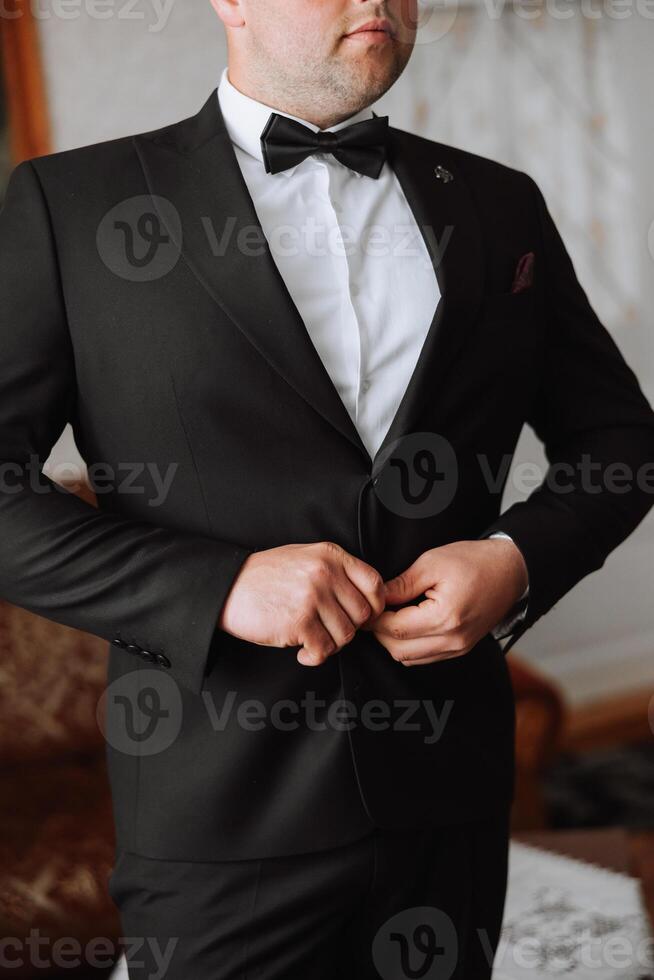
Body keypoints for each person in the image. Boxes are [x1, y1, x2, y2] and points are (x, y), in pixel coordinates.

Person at [1, 1, 653, 976]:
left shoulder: (497, 203)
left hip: (451, 787)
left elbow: (620, 439)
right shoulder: (73, 203)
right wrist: (216, 587)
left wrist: (515, 559)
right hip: (222, 812)